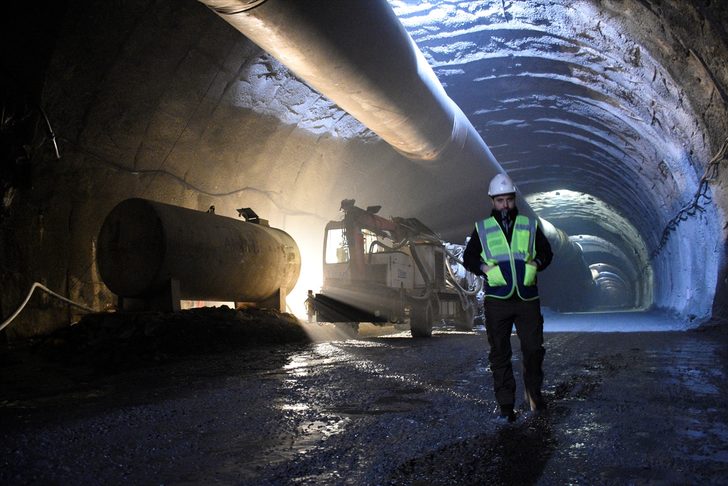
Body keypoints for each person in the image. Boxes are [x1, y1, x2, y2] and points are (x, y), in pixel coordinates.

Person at [463, 173, 553, 423]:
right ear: (492, 201)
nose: (505, 205)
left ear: (515, 200)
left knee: (533, 349)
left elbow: (547, 253)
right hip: (497, 299)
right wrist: (484, 269)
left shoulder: (529, 225)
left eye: (509, 200)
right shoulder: (483, 228)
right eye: (500, 200)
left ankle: (533, 393)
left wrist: (536, 263)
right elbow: (469, 257)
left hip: (526, 298)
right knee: (500, 353)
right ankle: (505, 405)